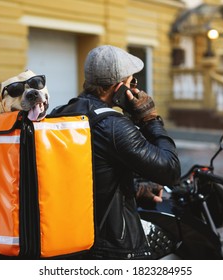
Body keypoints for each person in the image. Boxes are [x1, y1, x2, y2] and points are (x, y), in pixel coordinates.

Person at [51, 45, 181, 259]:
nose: (135, 90)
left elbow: (87, 173)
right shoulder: (112, 125)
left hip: (71, 241)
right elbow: (170, 170)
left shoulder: (61, 113)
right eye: (132, 83)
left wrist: (135, 189)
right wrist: (151, 120)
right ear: (120, 88)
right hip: (112, 250)